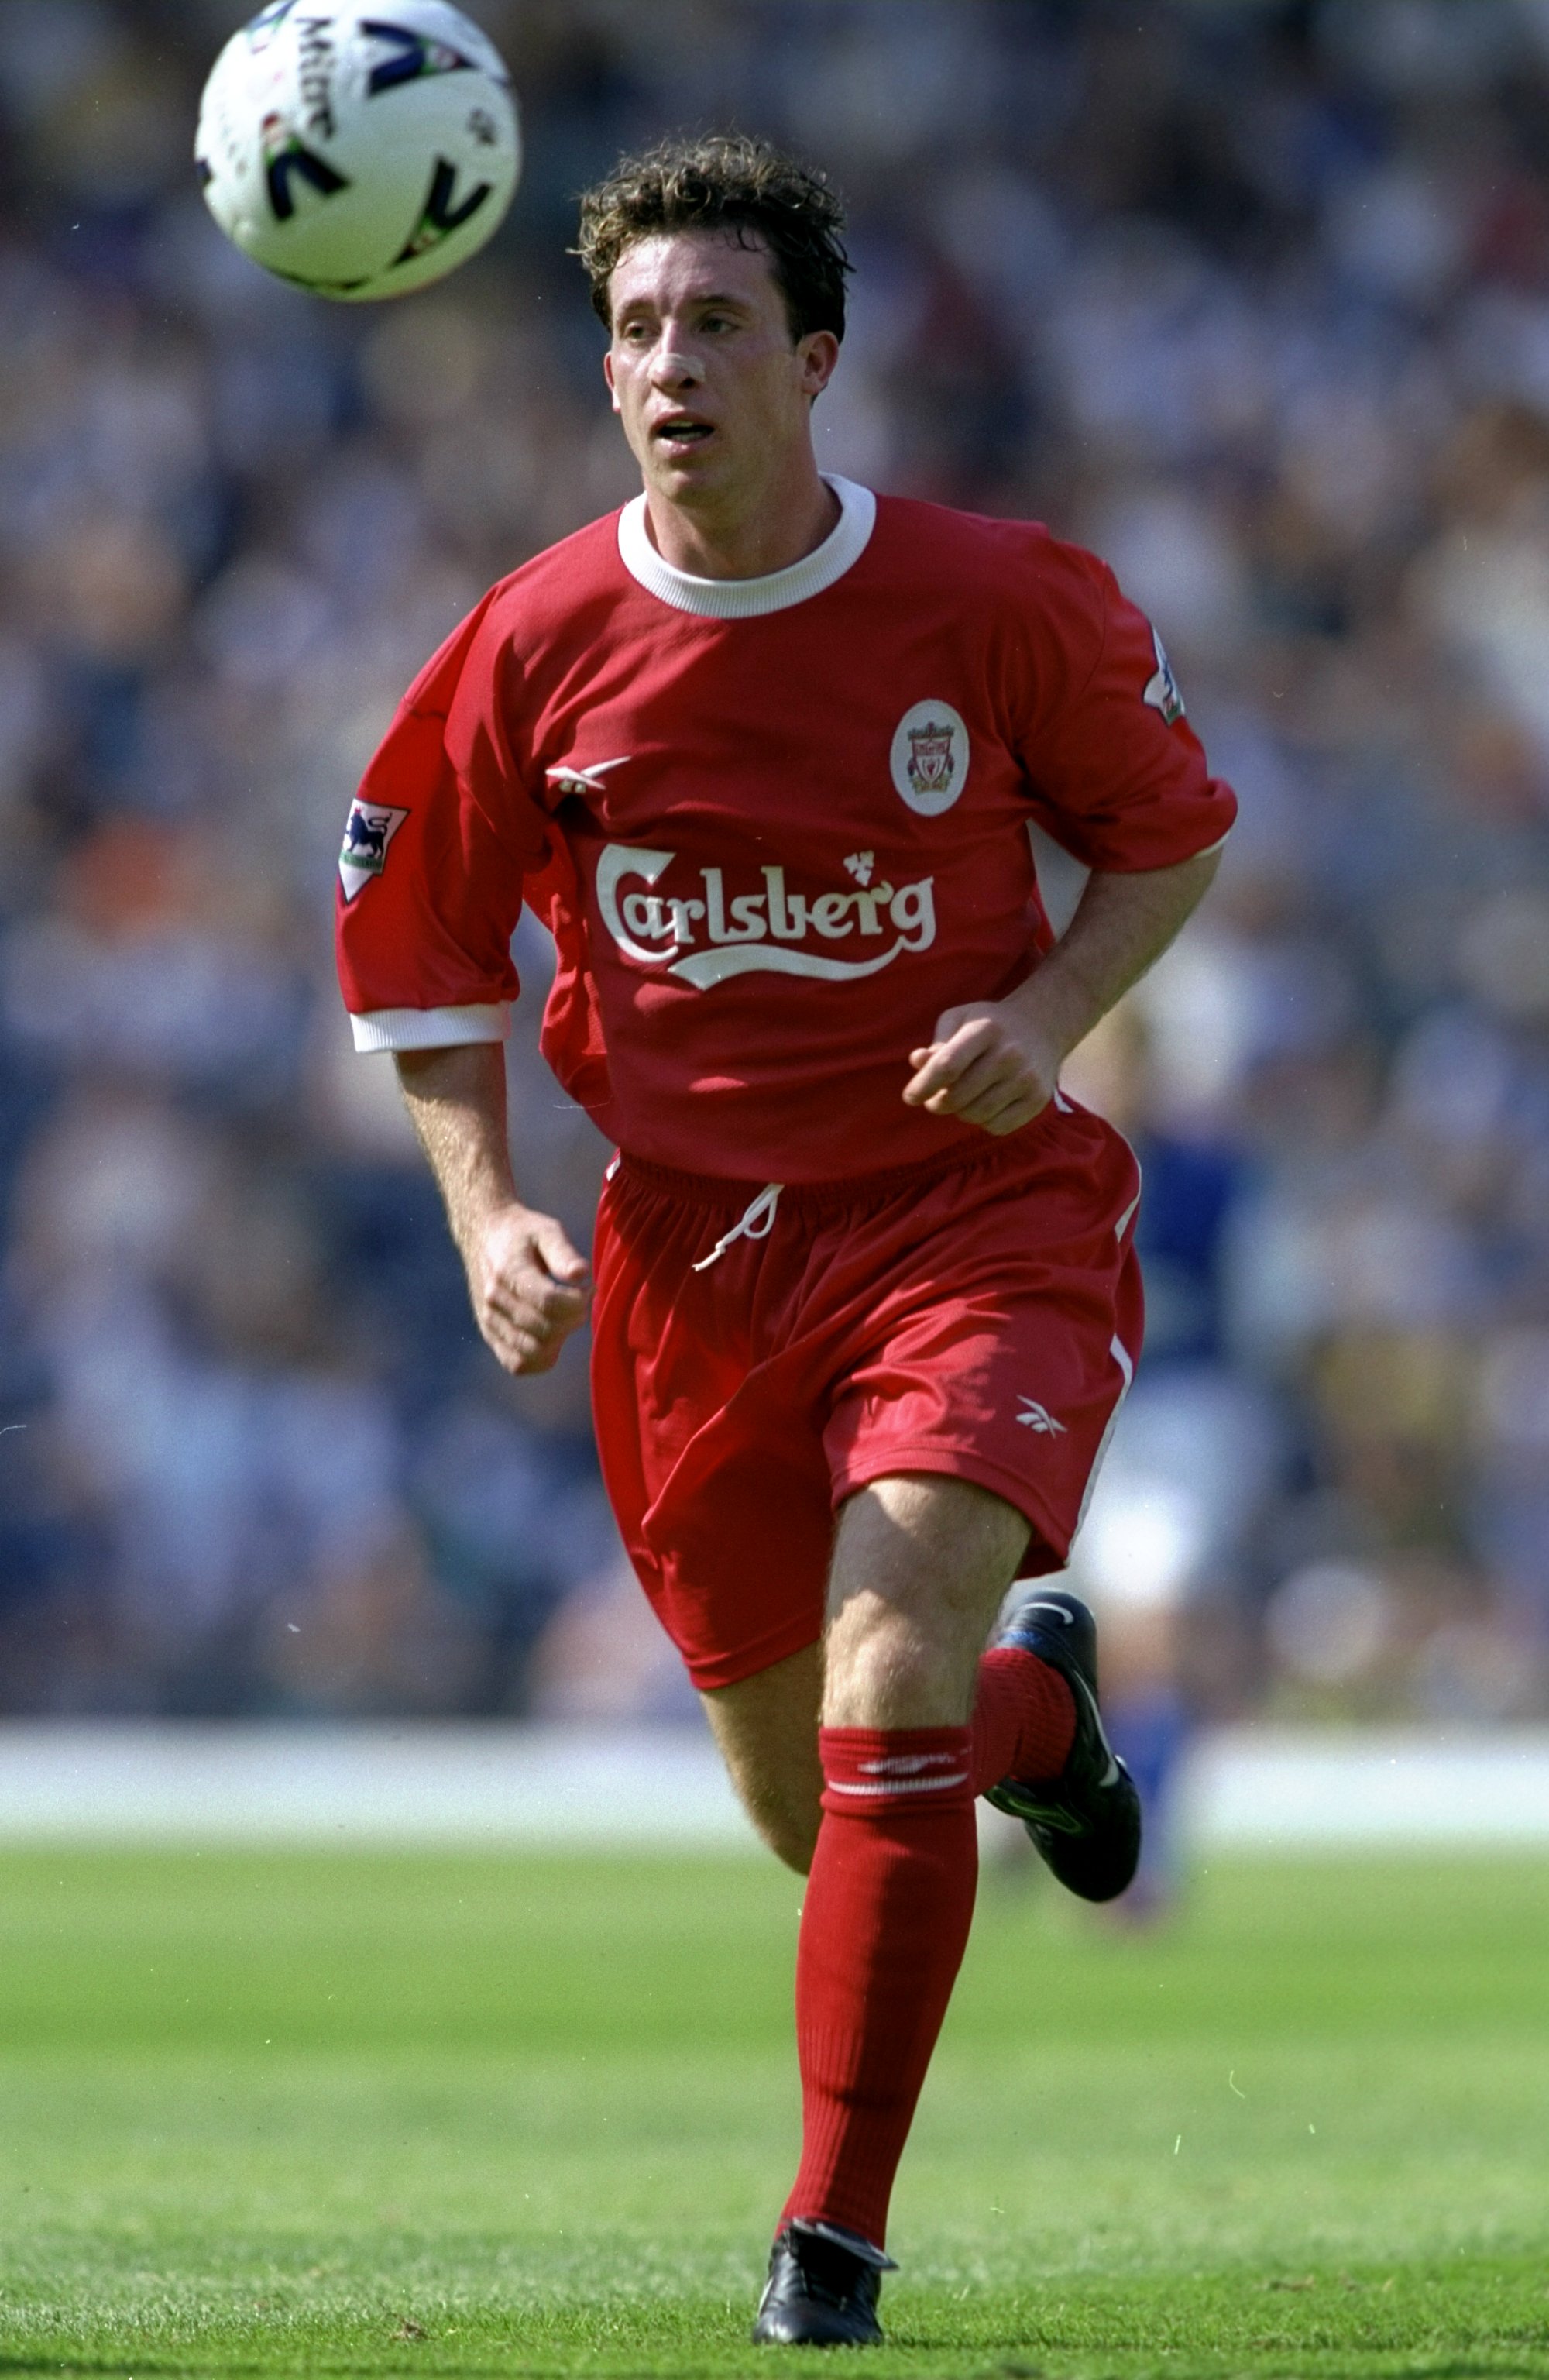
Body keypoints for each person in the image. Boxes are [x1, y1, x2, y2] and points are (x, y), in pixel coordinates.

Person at [335, 133, 1235, 2348]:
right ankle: (1057, 1739)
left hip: (967, 1217)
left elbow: (1169, 837)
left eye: (717, 323)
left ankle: (829, 2239)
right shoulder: (532, 648)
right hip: (684, 1269)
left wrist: (1045, 1016)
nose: (670, 364)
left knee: (886, 1667)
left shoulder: (992, 601)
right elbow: (417, 961)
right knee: (815, 1802)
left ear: (816, 360)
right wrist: (487, 1213)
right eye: (637, 328)